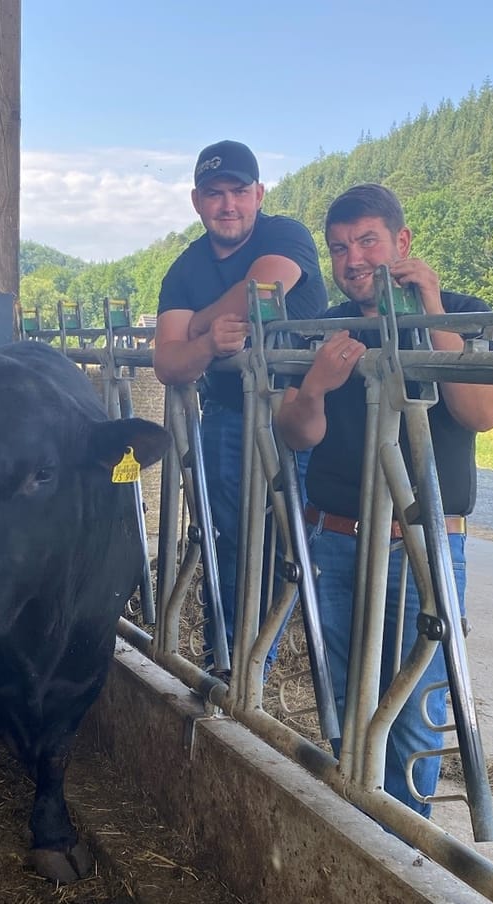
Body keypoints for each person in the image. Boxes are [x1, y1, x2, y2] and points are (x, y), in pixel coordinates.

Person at [277, 183, 493, 815]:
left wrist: (429, 309)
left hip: (422, 542)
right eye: (339, 247)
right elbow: (296, 433)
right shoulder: (324, 329)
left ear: (402, 242)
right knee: (345, 700)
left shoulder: (461, 311)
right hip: (338, 538)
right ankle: (351, 826)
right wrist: (316, 388)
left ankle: (408, 851)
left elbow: (483, 412)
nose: (352, 258)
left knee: (413, 711)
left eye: (368, 241)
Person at [153, 140, 327, 671]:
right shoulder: (183, 268)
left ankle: (263, 662)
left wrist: (197, 325)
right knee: (226, 542)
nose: (228, 204)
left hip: (304, 417)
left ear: (259, 194)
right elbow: (168, 362)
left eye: (238, 191)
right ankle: (226, 663)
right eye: (214, 194)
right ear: (196, 201)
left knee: (293, 542)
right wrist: (207, 346)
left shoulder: (285, 235)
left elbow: (264, 288)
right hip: (227, 420)